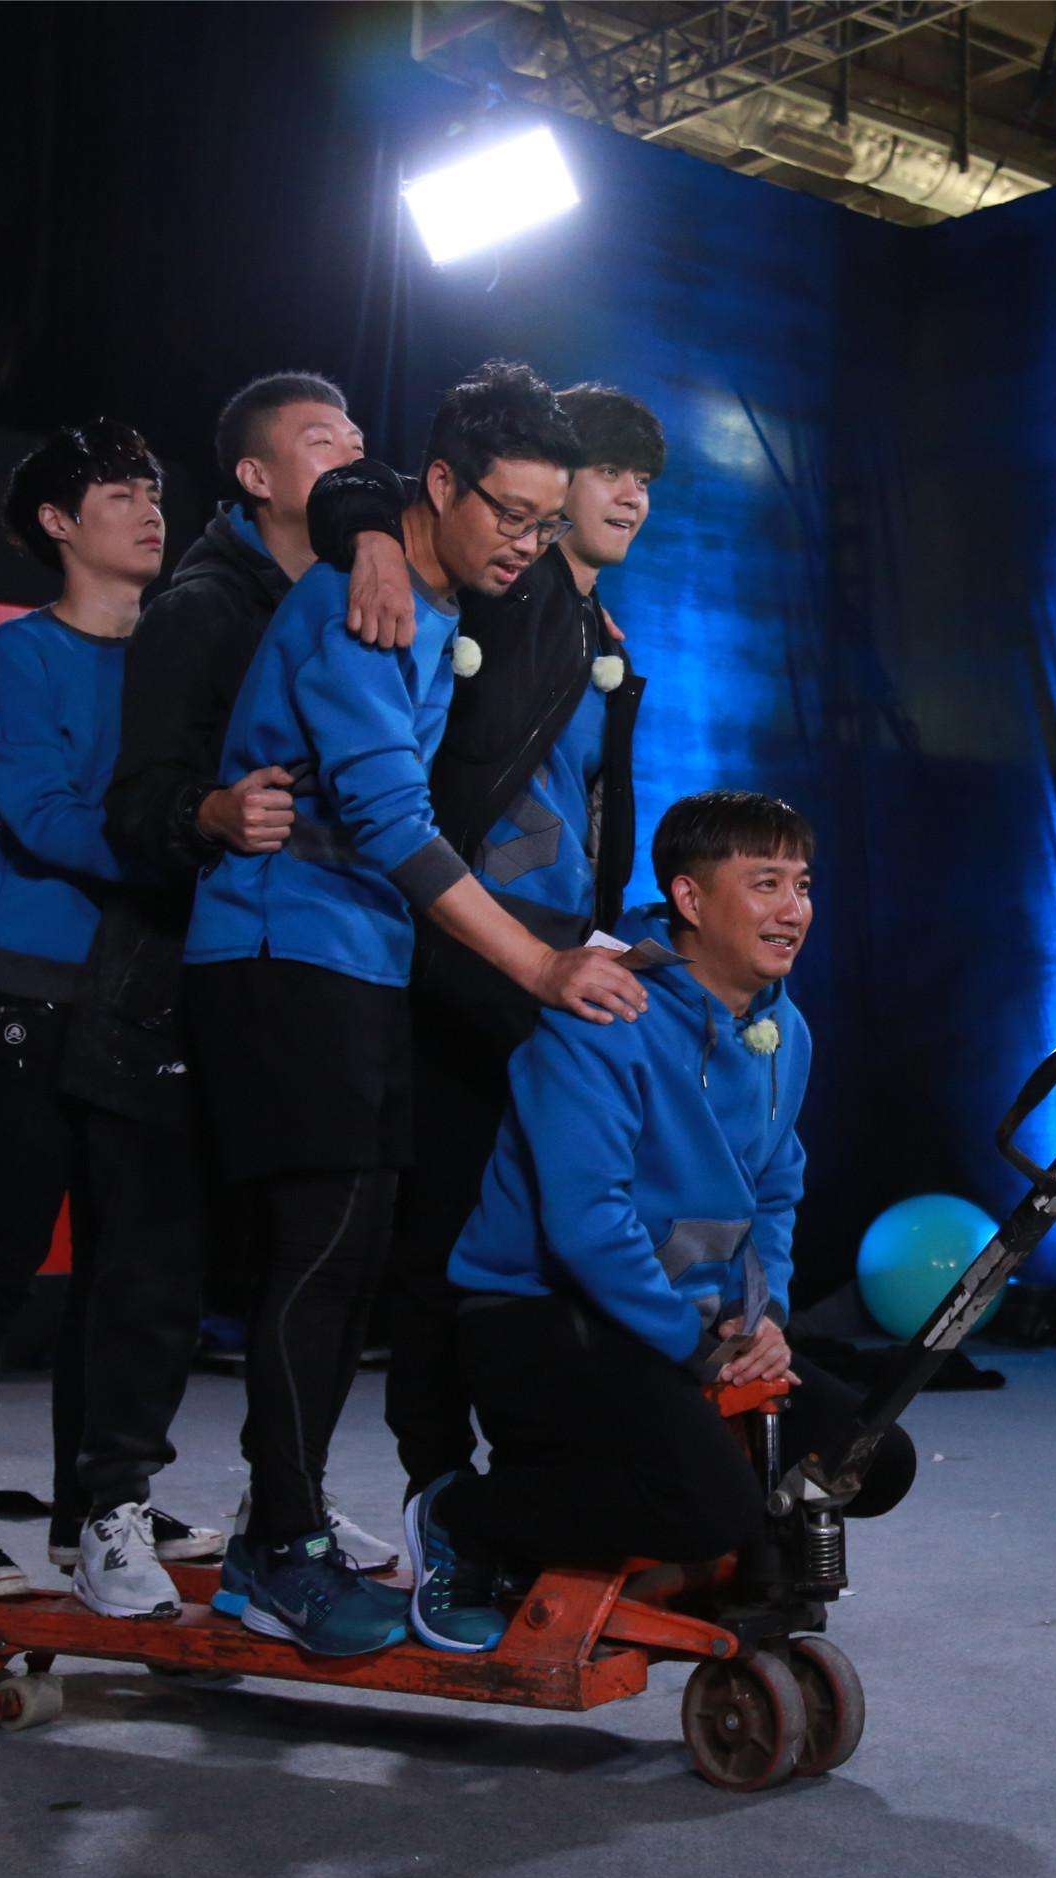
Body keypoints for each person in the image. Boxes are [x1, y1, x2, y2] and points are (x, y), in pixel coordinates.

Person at [182, 360, 649, 1658]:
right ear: (441, 485)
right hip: (281, 944)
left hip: (359, 955)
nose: (525, 543)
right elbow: (390, 819)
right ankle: (278, 1546)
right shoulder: (363, 604)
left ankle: (285, 1530)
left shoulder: (432, 597)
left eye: (544, 522)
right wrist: (540, 967)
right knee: (321, 1255)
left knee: (352, 1257)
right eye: (508, 512)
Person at [406, 791, 917, 1653]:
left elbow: (775, 1192)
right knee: (707, 1511)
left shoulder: (784, 1030)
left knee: (874, 1460)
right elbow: (588, 1226)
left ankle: (679, 1515)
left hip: (685, 1324)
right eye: (765, 883)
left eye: (802, 884)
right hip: (540, 1318)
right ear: (690, 898)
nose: (794, 910)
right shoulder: (603, 1012)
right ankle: (463, 1514)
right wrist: (692, 1345)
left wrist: (762, 1318)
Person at [84, 371, 415, 1573]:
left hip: (308, 964)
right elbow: (133, 805)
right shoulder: (202, 608)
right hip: (179, 973)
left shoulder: (358, 589)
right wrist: (211, 811)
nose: (352, 454)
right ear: (257, 476)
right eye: (321, 440)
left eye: (358, 436)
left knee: (308, 1251)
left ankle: (288, 1501)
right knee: (160, 1258)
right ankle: (108, 1512)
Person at [0, 419, 222, 1615]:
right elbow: (40, 813)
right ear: (58, 522)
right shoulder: (16, 653)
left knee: (123, 1269)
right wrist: (189, 842)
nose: (150, 509)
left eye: (154, 489)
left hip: (149, 993)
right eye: (119, 492)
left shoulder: (181, 648)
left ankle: (100, 1509)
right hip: (39, 990)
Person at [382, 382, 665, 1501]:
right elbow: (385, 497)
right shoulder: (509, 593)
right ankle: (440, 1484)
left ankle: (523, 1477)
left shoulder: (591, 623)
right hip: (472, 949)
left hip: (554, 952)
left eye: (645, 479)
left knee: (533, 1221)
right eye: (610, 472)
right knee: (448, 1222)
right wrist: (371, 537)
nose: (631, 496)